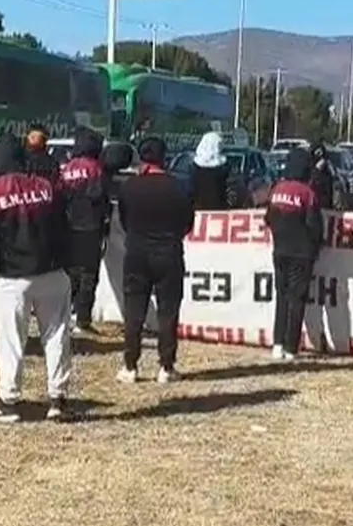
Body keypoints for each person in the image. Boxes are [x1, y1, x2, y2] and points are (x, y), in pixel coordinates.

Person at [0, 136, 73, 422]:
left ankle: (9, 402)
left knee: (11, 343)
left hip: (10, 278)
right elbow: (65, 229)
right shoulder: (46, 187)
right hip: (52, 273)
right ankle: (58, 400)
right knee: (56, 337)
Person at [117, 136, 195, 384]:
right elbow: (187, 224)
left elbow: (124, 221)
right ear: (165, 158)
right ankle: (166, 366)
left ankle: (130, 366)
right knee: (168, 311)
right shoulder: (179, 187)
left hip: (137, 252)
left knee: (134, 311)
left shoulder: (129, 187)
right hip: (169, 252)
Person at [264, 145, 323, 360]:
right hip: (302, 254)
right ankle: (291, 348)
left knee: (281, 297)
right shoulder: (308, 194)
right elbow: (314, 226)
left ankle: (277, 344)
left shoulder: (277, 189)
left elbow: (268, 219)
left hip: (279, 251)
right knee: (297, 300)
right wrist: (316, 247)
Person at [59, 127, 110, 335]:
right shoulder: (96, 169)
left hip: (68, 226)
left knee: (70, 273)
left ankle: (64, 314)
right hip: (90, 227)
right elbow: (101, 197)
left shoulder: (67, 168)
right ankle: (82, 319)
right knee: (89, 274)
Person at [190, 131, 244, 209]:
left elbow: (190, 195)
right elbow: (234, 196)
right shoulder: (225, 169)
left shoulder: (195, 169)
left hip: (200, 215)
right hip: (220, 214)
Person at [308, 142, 337, 212]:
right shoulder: (310, 162)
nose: (319, 153)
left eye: (320, 151)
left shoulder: (326, 162)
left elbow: (333, 174)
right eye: (317, 151)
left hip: (325, 191)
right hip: (315, 190)